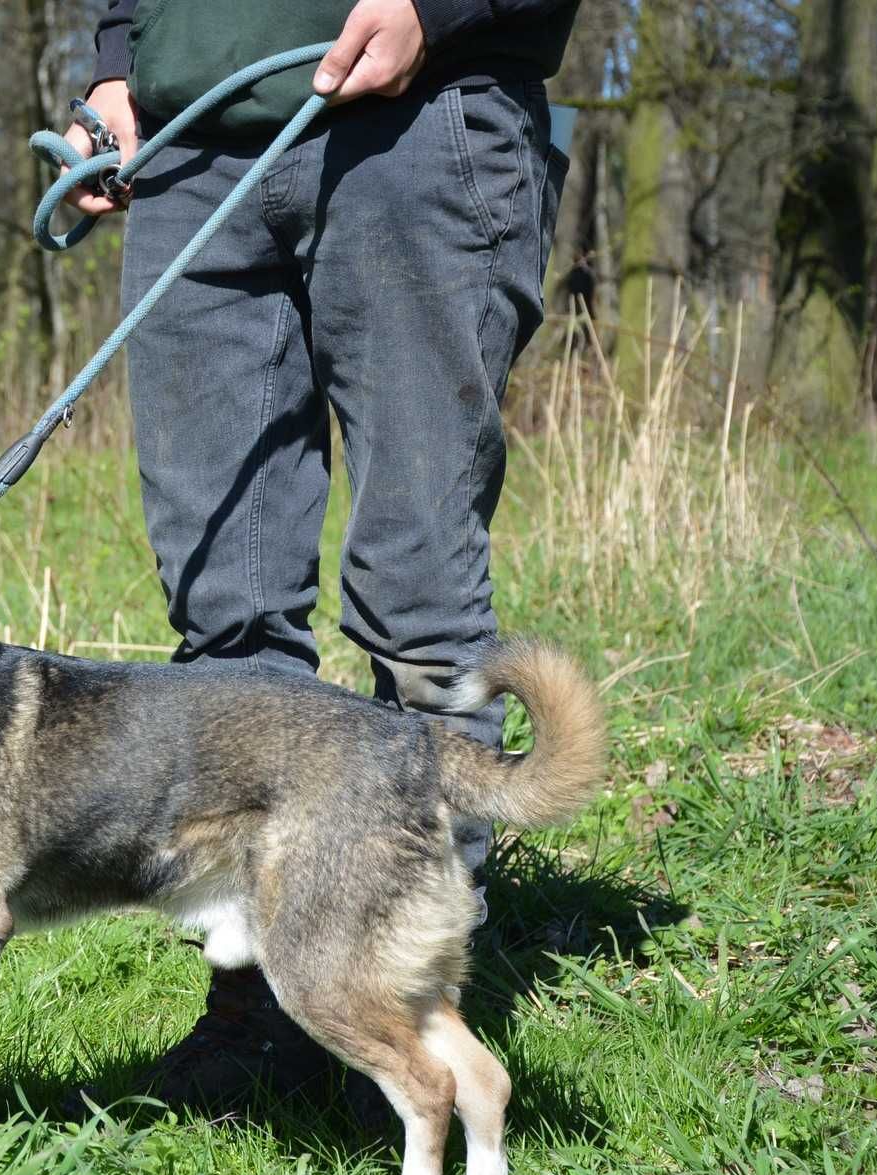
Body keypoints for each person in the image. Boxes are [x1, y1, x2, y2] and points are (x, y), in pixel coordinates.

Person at [64, 0, 579, 1115]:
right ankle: (260, 995)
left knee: (415, 592)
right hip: (192, 151)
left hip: (418, 123)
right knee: (222, 619)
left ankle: (413, 1003)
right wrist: (118, 64)